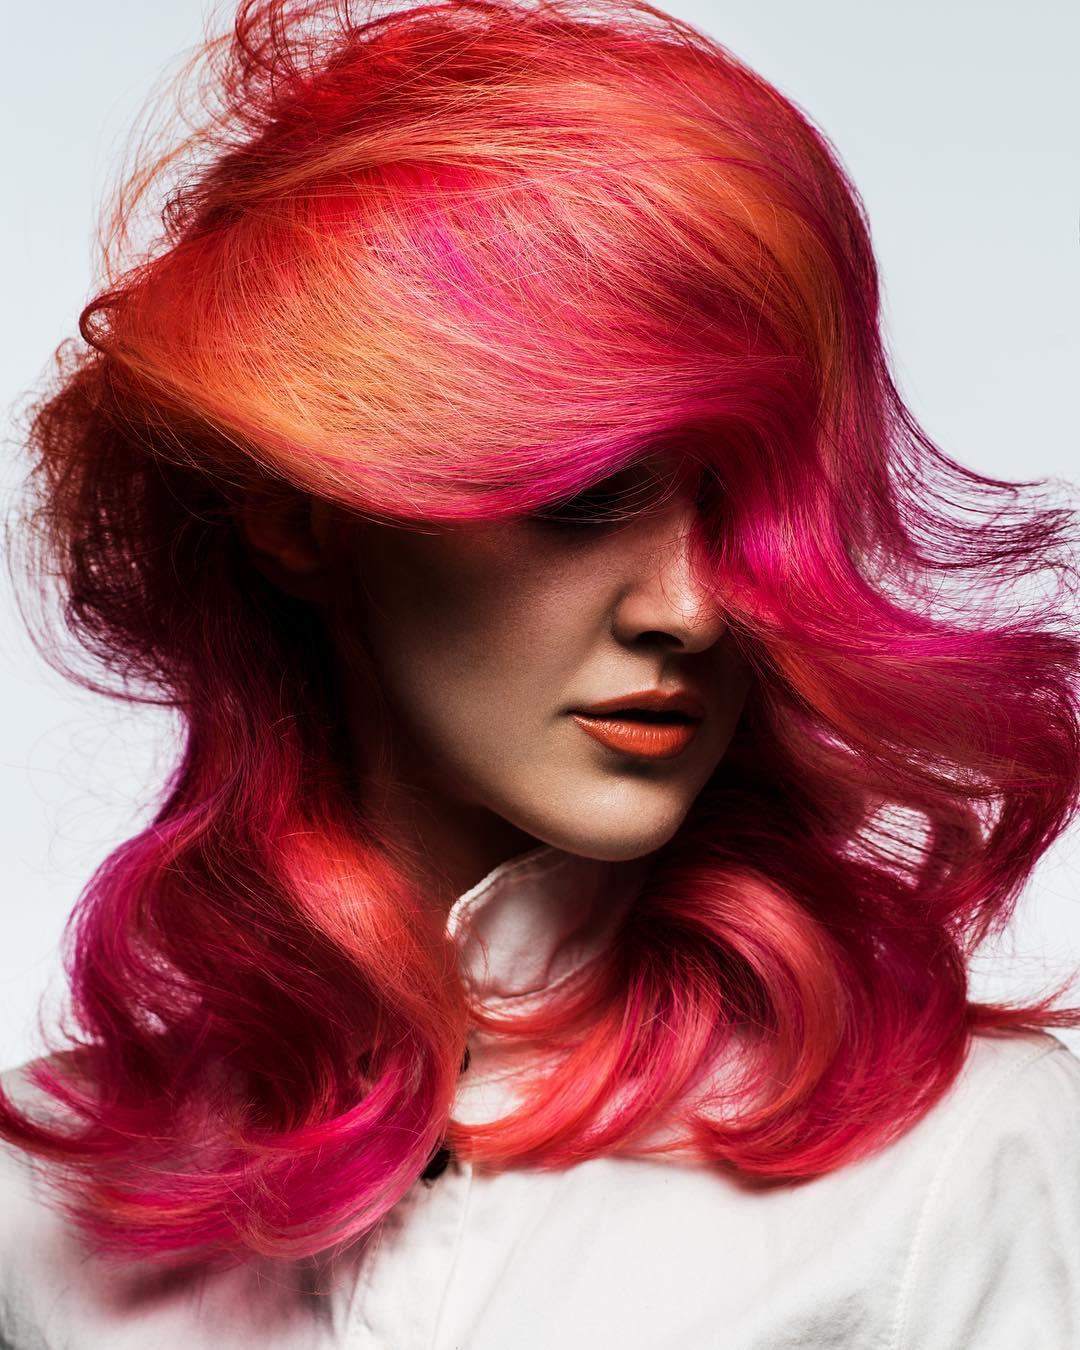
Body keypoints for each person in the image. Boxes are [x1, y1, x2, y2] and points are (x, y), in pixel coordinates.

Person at [1, 0, 1079, 1344]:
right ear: (297, 507)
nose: (696, 606)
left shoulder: (951, 1160)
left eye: (744, 504)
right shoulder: (44, 1203)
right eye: (591, 489)